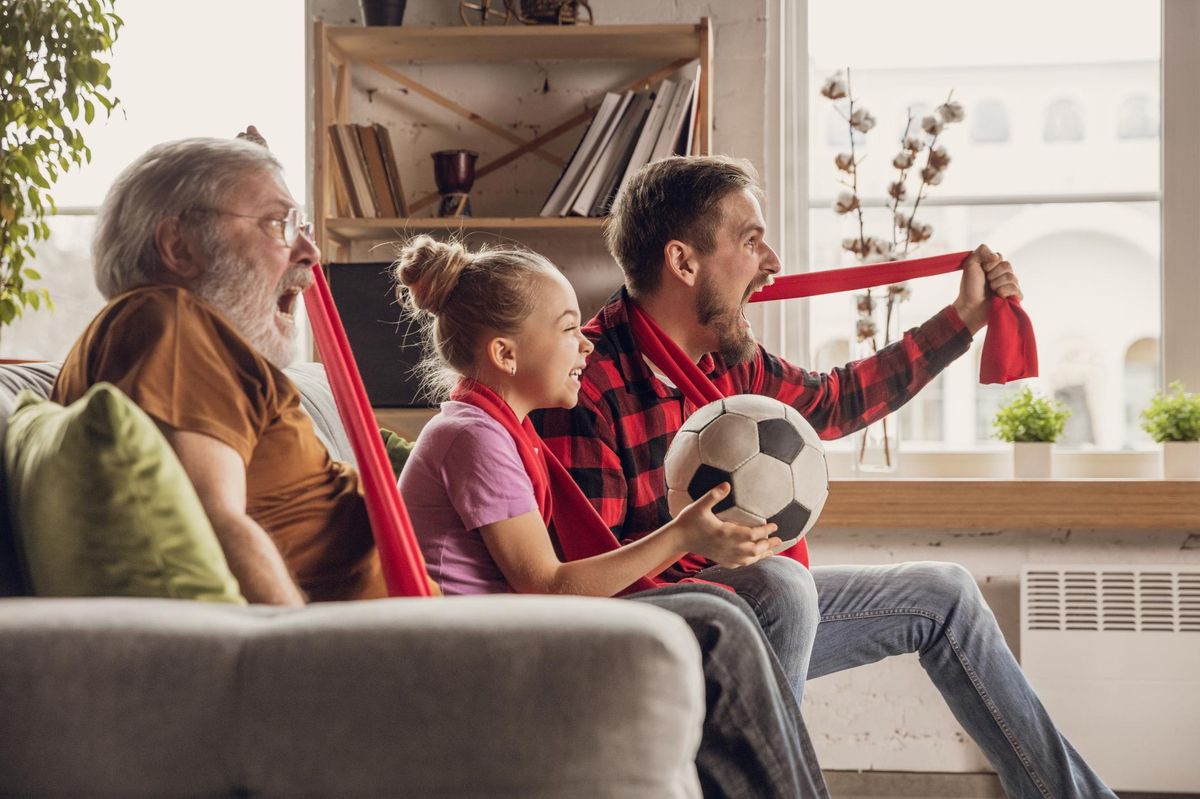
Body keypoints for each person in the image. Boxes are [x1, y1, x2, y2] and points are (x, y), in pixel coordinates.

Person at [51, 136, 829, 798]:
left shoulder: (213, 358)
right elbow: (215, 518)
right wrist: (307, 678)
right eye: (276, 222)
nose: (308, 249)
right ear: (178, 244)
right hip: (393, 645)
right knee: (719, 627)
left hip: (413, 621)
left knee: (737, 607)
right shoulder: (171, 322)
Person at [532, 154, 1117, 799]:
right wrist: (691, 543)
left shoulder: (732, 364)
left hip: (743, 609)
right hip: (652, 631)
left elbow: (835, 401)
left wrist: (964, 320)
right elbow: (598, 587)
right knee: (779, 583)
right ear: (683, 262)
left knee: (943, 593)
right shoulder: (587, 385)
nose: (772, 262)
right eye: (751, 241)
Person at [394, 235, 829, 797]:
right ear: (506, 354)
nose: (587, 348)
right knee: (717, 619)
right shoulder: (471, 436)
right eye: (568, 328)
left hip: (512, 632)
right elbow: (547, 588)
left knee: (736, 603)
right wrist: (681, 536)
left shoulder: (497, 427)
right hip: (484, 655)